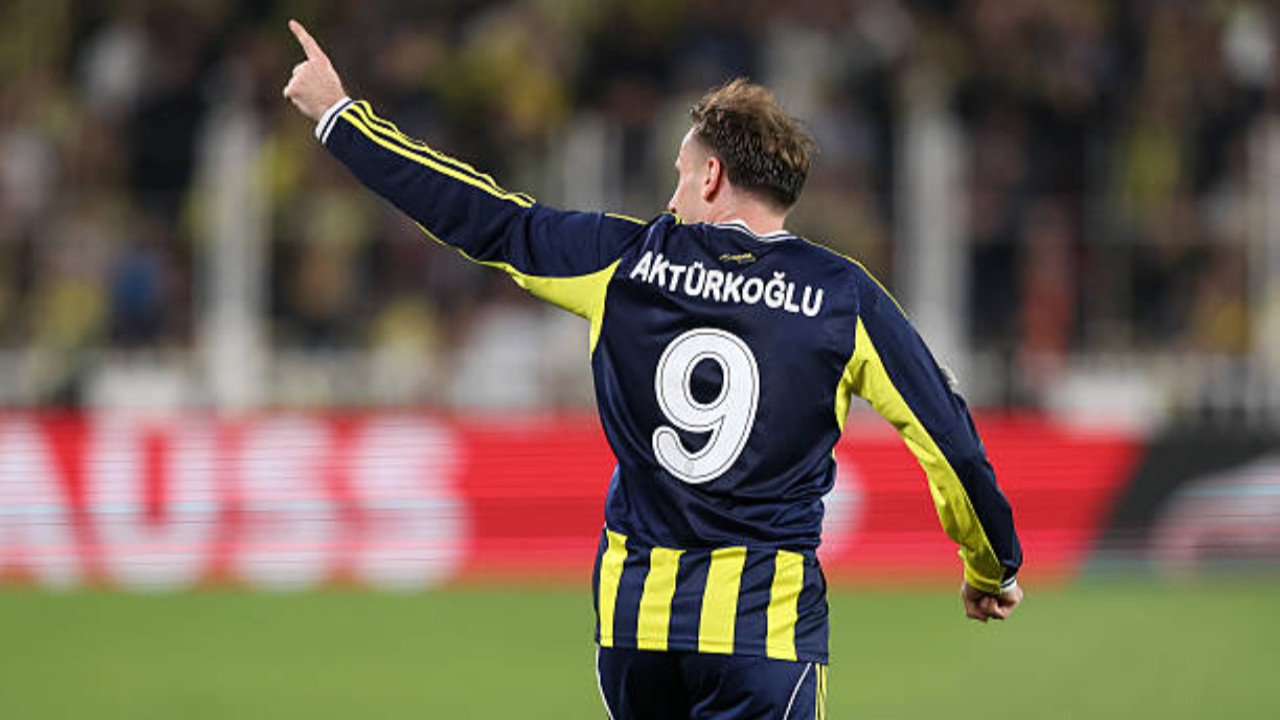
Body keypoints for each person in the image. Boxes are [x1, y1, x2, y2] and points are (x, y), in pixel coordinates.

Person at [283, 19, 1023, 720]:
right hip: (761, 634)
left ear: (712, 175)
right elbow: (949, 441)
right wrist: (991, 566)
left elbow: (483, 216)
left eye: (680, 175)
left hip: (635, 630)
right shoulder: (841, 296)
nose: (670, 198)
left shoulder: (626, 263)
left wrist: (340, 118)